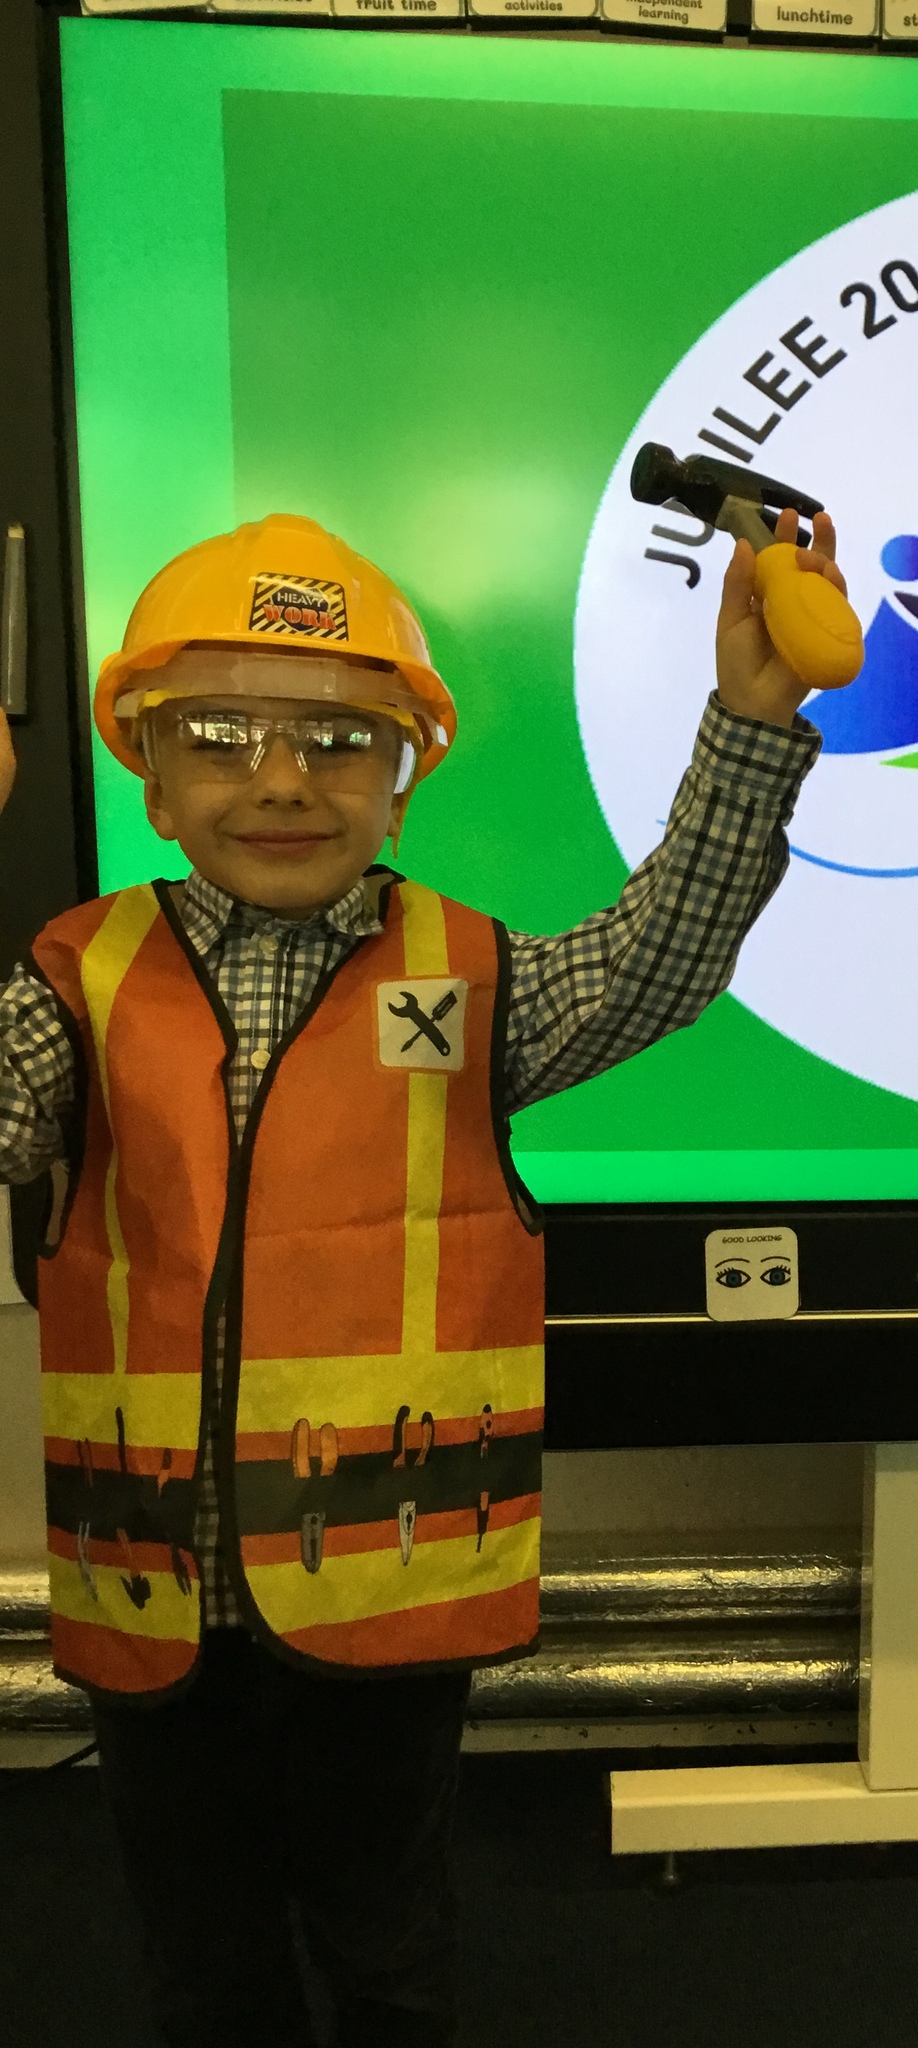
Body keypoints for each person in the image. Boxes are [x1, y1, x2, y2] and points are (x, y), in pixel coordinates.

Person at [0, 506, 846, 2048]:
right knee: (202, 1963)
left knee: (388, 1947)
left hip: (389, 1597)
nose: (280, 779)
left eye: (340, 739)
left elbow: (661, 958)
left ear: (406, 775)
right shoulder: (74, 975)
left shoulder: (475, 973)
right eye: (219, 735)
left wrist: (749, 724)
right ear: (148, 769)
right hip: (155, 1592)